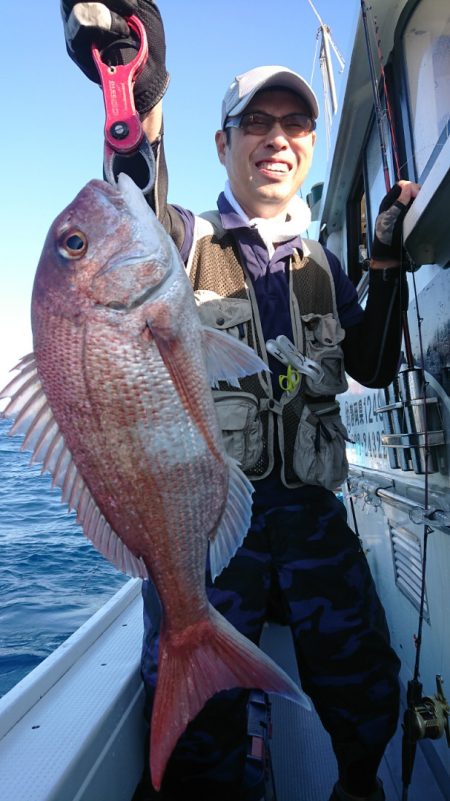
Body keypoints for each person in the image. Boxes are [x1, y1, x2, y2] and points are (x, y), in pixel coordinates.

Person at [61, 3, 421, 800]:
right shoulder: (178, 242)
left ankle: (356, 785)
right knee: (201, 729)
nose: (277, 138)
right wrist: (135, 83)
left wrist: (387, 256)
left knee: (368, 689)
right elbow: (130, 190)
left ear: (313, 145)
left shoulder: (325, 262)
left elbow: (374, 363)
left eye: (295, 123)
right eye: (255, 122)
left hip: (312, 517)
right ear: (222, 144)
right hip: (211, 524)